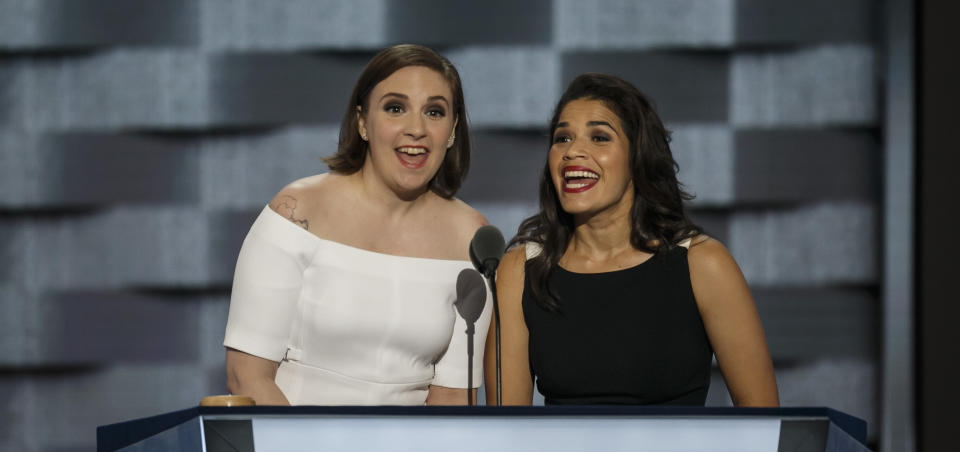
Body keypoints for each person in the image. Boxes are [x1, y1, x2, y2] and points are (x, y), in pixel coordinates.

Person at [487, 73, 778, 406]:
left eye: (599, 137)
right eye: (562, 138)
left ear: (638, 157)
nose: (573, 152)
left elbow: (765, 423)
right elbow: (506, 436)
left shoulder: (703, 264)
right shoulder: (520, 272)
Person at [224, 44, 491, 405]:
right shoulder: (296, 212)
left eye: (434, 111)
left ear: (453, 130)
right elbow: (247, 377)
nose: (417, 129)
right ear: (363, 122)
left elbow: (454, 397)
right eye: (395, 108)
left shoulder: (473, 238)